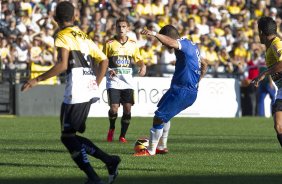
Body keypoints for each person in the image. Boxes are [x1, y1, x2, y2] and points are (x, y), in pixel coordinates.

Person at [21, 2, 120, 184]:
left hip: (76, 90)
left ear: (55, 19)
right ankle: (109, 162)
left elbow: (62, 65)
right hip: (85, 89)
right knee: (69, 136)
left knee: (67, 137)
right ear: (74, 17)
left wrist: (36, 79)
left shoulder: (62, 35)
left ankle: (95, 176)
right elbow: (104, 60)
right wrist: (95, 84)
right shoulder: (84, 36)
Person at [134, 25, 207, 156]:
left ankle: (150, 151)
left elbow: (172, 42)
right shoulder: (192, 46)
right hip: (181, 88)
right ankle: (161, 147)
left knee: (158, 118)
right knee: (164, 116)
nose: (163, 45)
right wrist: (196, 81)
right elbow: (205, 65)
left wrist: (154, 33)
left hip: (182, 91)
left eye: (163, 42)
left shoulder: (182, 44)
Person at [103, 17, 146, 143]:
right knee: (114, 108)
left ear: (128, 29)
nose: (121, 29)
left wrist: (142, 65)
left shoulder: (132, 44)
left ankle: (122, 136)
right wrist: (109, 69)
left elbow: (138, 59)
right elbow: (102, 60)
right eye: (119, 27)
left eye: (123, 27)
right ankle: (111, 127)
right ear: (115, 28)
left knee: (127, 109)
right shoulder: (109, 43)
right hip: (113, 80)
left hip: (128, 82)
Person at [251, 16, 282, 147]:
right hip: (281, 88)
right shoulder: (272, 45)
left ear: (261, 33)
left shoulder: (277, 44)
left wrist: (264, 73)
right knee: (278, 126)